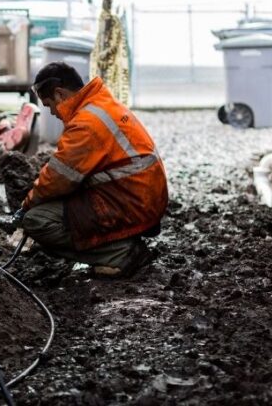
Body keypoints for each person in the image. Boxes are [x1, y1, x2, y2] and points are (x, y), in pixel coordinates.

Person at [15, 61, 168, 277]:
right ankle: (120, 243)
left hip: (134, 203)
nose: (54, 113)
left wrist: (26, 206)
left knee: (36, 220)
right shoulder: (100, 104)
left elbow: (59, 179)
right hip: (139, 197)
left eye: (49, 105)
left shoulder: (86, 123)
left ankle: (120, 254)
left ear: (59, 94)